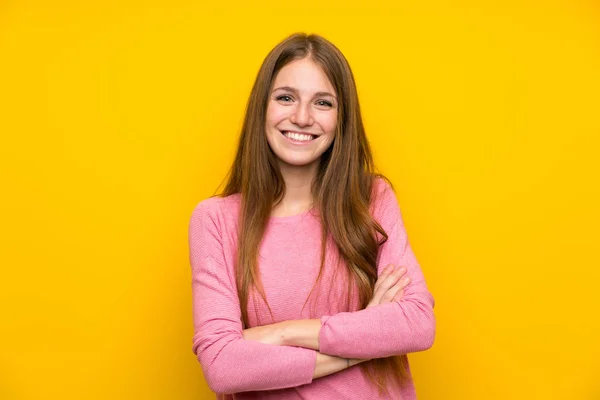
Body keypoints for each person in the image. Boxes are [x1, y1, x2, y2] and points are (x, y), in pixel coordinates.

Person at [188, 32, 436, 399]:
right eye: (286, 98)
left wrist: (281, 333)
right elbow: (223, 367)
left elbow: (417, 324)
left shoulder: (371, 199)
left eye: (323, 103)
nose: (302, 117)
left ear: (341, 119)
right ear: (263, 107)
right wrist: (364, 340)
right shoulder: (216, 220)